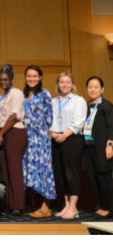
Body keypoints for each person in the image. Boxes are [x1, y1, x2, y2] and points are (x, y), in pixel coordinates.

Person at [49, 72, 87, 220]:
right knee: (60, 173)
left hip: (71, 139)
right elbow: (48, 119)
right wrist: (53, 133)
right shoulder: (53, 101)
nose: (64, 85)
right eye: (62, 82)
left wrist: (64, 135)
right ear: (58, 84)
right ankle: (66, 205)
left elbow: (79, 121)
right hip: (55, 137)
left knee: (71, 173)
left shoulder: (79, 100)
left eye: (67, 82)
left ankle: (73, 207)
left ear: (72, 84)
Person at [0, 64, 27, 217]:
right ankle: (10, 204)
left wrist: (1, 134)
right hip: (3, 133)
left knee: (14, 170)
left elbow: (13, 116)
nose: (3, 81)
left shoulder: (16, 93)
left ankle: (18, 206)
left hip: (14, 132)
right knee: (5, 172)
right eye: (0, 79)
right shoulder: (1, 97)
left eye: (6, 79)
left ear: (12, 79)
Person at [21, 66, 56, 218]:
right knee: (28, 170)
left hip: (40, 139)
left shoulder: (45, 93)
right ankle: (30, 204)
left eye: (35, 76)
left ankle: (45, 207)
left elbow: (49, 118)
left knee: (44, 171)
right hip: (25, 139)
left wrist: (39, 128)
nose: (32, 79)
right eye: (29, 76)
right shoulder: (22, 94)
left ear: (40, 77)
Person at [82, 76, 113, 220]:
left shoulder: (106, 106)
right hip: (89, 146)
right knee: (93, 177)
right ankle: (100, 206)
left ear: (102, 89)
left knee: (104, 177)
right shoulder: (85, 106)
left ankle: (109, 207)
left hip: (102, 147)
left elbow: (111, 127)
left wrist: (110, 144)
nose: (93, 89)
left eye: (96, 86)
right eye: (90, 87)